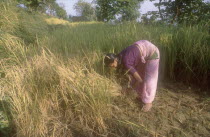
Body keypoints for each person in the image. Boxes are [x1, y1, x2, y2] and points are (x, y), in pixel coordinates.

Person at [104, 40, 160, 112]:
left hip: (152, 52)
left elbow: (139, 80)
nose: (112, 67)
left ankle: (149, 102)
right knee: (139, 73)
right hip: (142, 47)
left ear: (115, 60)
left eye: (112, 65)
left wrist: (130, 89)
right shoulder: (119, 56)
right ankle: (141, 95)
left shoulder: (126, 62)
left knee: (150, 78)